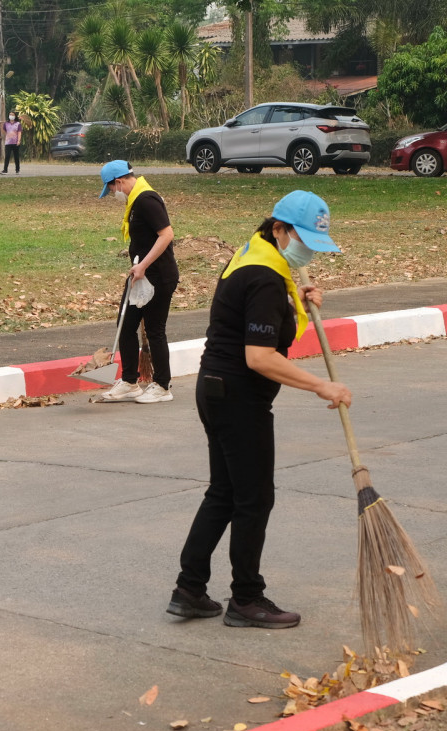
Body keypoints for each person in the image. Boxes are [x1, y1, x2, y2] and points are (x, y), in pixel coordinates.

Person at [167, 190, 352, 629]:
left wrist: (295, 302)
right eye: (302, 239)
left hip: (215, 388)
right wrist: (320, 385)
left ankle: (188, 590)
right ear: (279, 229)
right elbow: (260, 356)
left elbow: (256, 315)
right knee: (254, 499)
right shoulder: (266, 277)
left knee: (224, 493)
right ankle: (247, 599)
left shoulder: (255, 255)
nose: (307, 251)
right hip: (239, 398)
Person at [95, 160, 178, 404]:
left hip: (158, 275)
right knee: (126, 324)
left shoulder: (146, 200)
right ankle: (130, 382)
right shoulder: (135, 201)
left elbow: (167, 235)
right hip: (140, 275)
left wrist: (143, 265)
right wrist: (139, 267)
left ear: (119, 182)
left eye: (111, 188)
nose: (113, 193)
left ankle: (162, 386)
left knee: (154, 330)